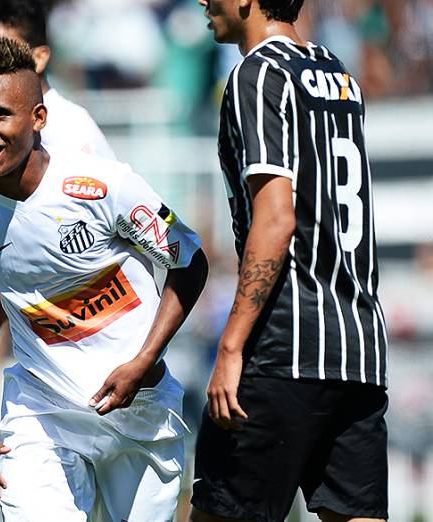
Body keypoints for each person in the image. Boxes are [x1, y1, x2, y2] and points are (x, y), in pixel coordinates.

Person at [0, 37, 208, 521]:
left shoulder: (104, 186)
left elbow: (190, 260)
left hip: (138, 409)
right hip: (42, 414)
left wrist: (143, 360)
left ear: (38, 119)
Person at [191, 1, 389, 521]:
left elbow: (276, 219)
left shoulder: (256, 74)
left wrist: (231, 346)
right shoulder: (336, 72)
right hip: (359, 349)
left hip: (284, 348)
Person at [0, 0, 118, 327]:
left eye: (4, 50)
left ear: (40, 57)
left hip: (96, 322)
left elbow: (91, 226)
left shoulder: (70, 128)